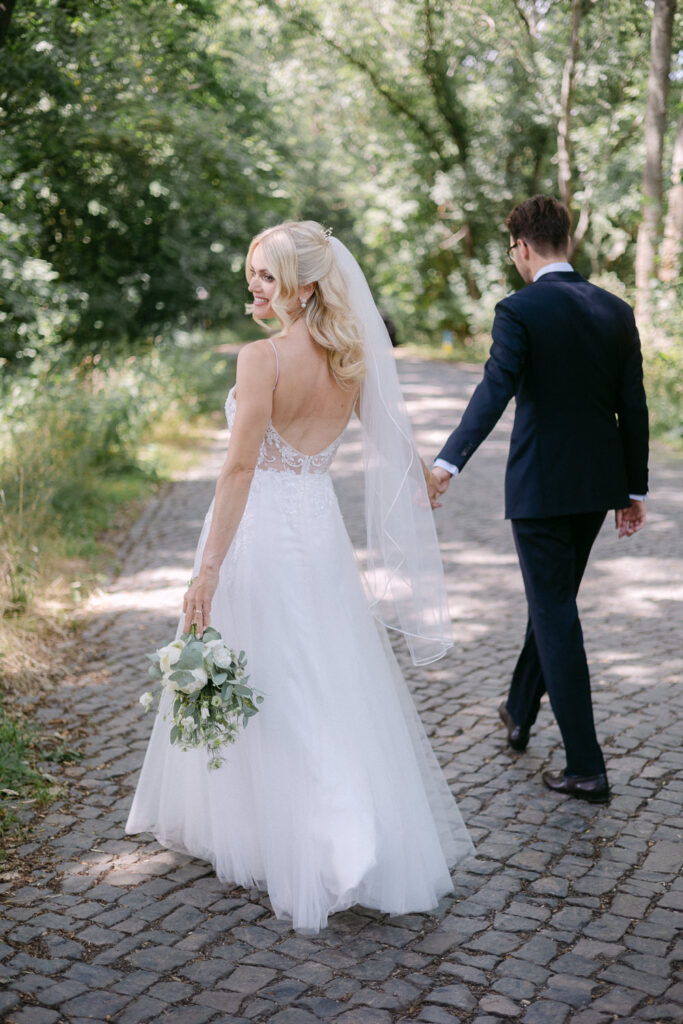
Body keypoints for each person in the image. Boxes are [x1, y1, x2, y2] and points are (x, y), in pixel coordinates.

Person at [126, 220, 473, 933]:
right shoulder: (348, 357)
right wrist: (423, 479)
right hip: (317, 536)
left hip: (256, 536)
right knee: (319, 676)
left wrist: (207, 572)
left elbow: (240, 469)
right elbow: (392, 442)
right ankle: (300, 826)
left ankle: (333, 839)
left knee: (278, 681)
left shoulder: (261, 359)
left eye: (267, 274)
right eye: (251, 271)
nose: (252, 285)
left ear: (305, 283)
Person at [432, 195, 649, 805]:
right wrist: (632, 489)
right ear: (568, 243)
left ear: (523, 247)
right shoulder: (616, 309)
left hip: (541, 491)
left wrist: (448, 462)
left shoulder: (518, 309)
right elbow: (633, 405)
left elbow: (494, 388)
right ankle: (519, 709)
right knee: (551, 601)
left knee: (555, 613)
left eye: (511, 250)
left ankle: (586, 765)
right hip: (597, 489)